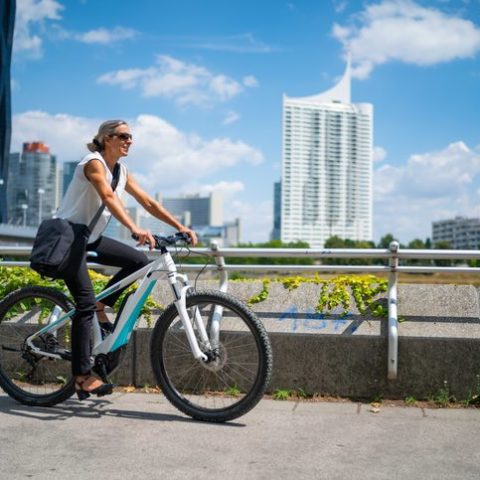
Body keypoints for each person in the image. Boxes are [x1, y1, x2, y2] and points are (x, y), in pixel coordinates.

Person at [56, 119, 197, 399]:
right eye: (124, 136)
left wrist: (179, 226)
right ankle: (83, 377)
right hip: (69, 237)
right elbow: (107, 196)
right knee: (82, 306)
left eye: (131, 137)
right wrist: (134, 228)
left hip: (90, 237)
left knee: (139, 261)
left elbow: (148, 202)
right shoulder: (93, 162)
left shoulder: (121, 171)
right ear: (107, 138)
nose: (129, 141)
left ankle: (101, 305)